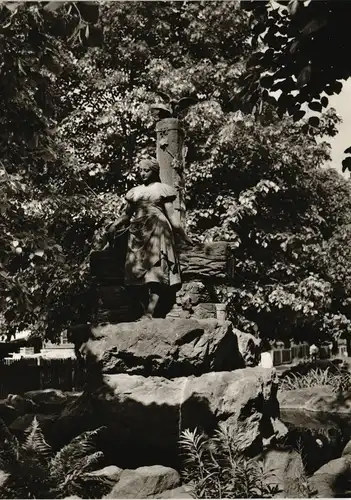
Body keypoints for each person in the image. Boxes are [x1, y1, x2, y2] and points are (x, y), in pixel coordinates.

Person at [106, 157, 192, 320]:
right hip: (137, 233)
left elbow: (172, 217)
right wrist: (114, 225)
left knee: (155, 271)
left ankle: (150, 312)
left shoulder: (162, 189)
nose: (142, 173)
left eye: (146, 170)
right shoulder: (134, 191)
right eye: (140, 170)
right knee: (133, 273)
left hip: (157, 230)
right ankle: (141, 309)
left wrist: (183, 235)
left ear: (154, 171)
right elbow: (127, 214)